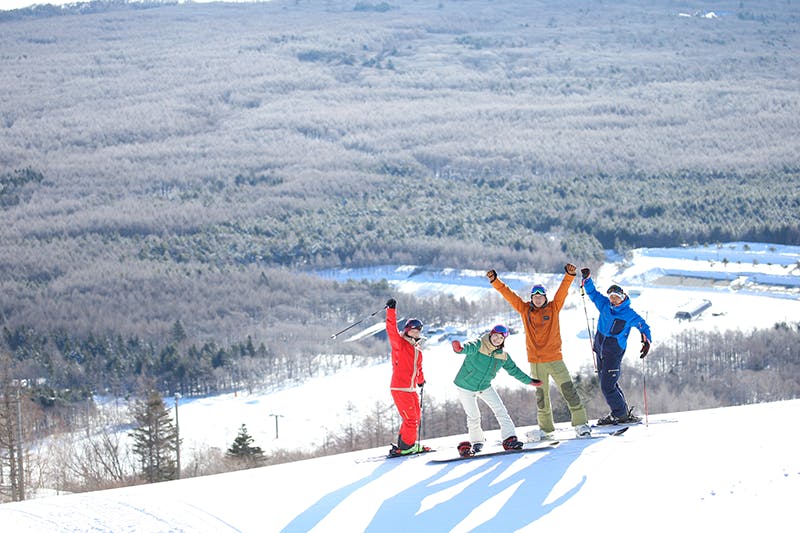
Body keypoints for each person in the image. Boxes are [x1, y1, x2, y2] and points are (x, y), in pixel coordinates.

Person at [487, 264, 592, 439]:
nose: (537, 299)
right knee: (542, 397)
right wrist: (495, 281)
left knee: (569, 391)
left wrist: (569, 275)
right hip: (536, 362)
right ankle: (546, 429)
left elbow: (562, 292)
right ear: (531, 299)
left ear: (545, 297)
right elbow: (509, 296)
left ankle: (581, 424)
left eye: (540, 296)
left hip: (555, 359)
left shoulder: (553, 308)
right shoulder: (525, 310)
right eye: (534, 297)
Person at [451, 325, 542, 456]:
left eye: (501, 338)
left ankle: (509, 439)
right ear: (490, 334)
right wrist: (460, 349)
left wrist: (530, 381)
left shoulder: (503, 356)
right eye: (495, 336)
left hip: (484, 386)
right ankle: (477, 442)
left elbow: (514, 371)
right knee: (474, 416)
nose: (497, 339)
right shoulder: (479, 344)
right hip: (465, 385)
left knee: (501, 410)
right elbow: (469, 347)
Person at [580, 268, 652, 425]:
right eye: (611, 297)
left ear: (623, 297)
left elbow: (643, 326)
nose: (613, 300)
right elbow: (593, 294)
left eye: (616, 297)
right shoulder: (605, 305)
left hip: (614, 352)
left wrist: (647, 342)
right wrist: (587, 279)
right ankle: (622, 412)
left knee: (607, 385)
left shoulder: (628, 313)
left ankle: (619, 414)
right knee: (607, 383)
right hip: (599, 349)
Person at [384, 298, 429, 456]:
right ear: (407, 330)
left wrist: (421, 380)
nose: (415, 333)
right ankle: (406, 447)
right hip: (400, 387)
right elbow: (391, 329)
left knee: (415, 416)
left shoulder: (418, 350)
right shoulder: (400, 344)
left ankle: (405, 444)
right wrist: (391, 310)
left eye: (418, 331)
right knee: (411, 419)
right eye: (413, 330)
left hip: (410, 388)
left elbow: (418, 369)